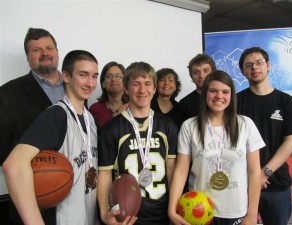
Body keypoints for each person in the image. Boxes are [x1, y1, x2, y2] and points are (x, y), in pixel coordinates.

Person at [3, 50, 99, 225]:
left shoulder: (90, 118)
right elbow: (14, 165)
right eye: (83, 75)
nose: (90, 83)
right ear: (66, 77)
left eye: (94, 76)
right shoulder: (56, 116)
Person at [168, 70, 265, 225]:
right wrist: (172, 210)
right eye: (213, 91)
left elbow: (254, 173)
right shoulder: (190, 126)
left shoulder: (246, 124)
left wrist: (252, 214)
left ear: (231, 95)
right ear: (205, 94)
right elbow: (181, 170)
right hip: (199, 211)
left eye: (225, 92)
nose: (219, 96)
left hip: (237, 211)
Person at [98, 62, 178, 225]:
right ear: (126, 89)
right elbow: (105, 174)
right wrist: (104, 212)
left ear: (154, 88)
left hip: (162, 213)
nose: (142, 90)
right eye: (136, 84)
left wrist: (174, 209)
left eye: (148, 84)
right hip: (126, 216)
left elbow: (171, 169)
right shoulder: (111, 129)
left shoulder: (167, 125)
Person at [0, 27, 64, 225]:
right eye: (36, 50)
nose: (45, 53)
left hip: (75, 196)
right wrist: (37, 172)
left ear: (57, 52)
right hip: (36, 196)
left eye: (49, 48)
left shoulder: (76, 88)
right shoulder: (8, 93)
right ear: (28, 57)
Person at [237, 47, 292, 225]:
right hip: (243, 184)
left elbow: (291, 140)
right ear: (243, 71)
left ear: (268, 66)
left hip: (276, 185)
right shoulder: (235, 102)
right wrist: (253, 176)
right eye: (248, 65)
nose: (254, 68)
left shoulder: (286, 101)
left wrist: (264, 172)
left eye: (259, 63)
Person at [89, 61, 128, 127]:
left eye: (118, 76)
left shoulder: (134, 107)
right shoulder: (95, 109)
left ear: (125, 82)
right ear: (103, 83)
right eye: (108, 76)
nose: (113, 79)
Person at [179, 53, 216, 121]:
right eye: (196, 72)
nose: (201, 76)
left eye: (205, 71)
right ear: (191, 76)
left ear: (213, 72)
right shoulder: (184, 104)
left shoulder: (223, 99)